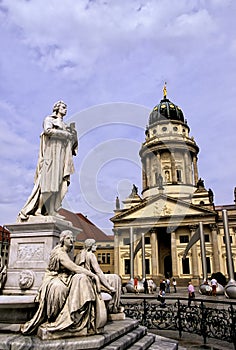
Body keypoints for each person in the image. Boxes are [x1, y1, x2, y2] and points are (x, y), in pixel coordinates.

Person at [21, 230, 106, 336]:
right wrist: (94, 276)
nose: (72, 240)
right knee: (61, 287)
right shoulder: (60, 252)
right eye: (68, 238)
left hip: (64, 277)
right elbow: (74, 267)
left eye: (72, 238)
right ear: (62, 240)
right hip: (54, 278)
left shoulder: (68, 252)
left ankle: (75, 318)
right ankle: (64, 319)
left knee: (81, 279)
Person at [18, 101, 78, 220]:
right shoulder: (49, 119)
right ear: (57, 108)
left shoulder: (66, 125)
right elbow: (48, 131)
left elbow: (72, 145)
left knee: (59, 184)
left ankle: (51, 210)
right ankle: (39, 209)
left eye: (66, 108)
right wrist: (65, 134)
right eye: (64, 107)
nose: (66, 110)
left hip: (62, 156)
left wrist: (73, 135)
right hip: (52, 153)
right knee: (48, 183)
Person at [75, 238, 123, 314]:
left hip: (83, 278)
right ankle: (113, 307)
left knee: (113, 277)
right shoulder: (91, 255)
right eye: (95, 245)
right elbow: (98, 272)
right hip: (91, 279)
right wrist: (108, 286)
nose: (96, 246)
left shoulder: (79, 254)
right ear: (90, 246)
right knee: (115, 278)